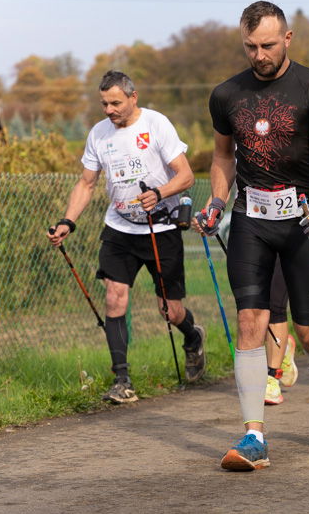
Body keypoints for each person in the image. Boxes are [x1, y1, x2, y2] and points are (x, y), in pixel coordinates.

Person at [200, 1, 309, 470]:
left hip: (302, 220)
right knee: (251, 324)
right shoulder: (226, 94)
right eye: (249, 46)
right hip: (251, 220)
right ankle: (253, 437)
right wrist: (217, 202)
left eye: (266, 45)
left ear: (287, 38)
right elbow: (223, 159)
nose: (258, 55)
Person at [47, 70, 205, 404]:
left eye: (115, 102)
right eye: (104, 103)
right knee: (114, 298)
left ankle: (192, 336)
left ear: (133, 97)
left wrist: (160, 193)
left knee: (170, 311)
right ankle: (122, 380)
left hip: (160, 229)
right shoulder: (99, 134)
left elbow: (186, 175)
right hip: (120, 229)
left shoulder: (156, 125)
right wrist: (67, 221)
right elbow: (86, 184)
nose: (108, 109)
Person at [263, 258, 298, 405]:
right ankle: (282, 350)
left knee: (274, 305)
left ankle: (272, 377)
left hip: (285, 243)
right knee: (255, 308)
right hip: (253, 239)